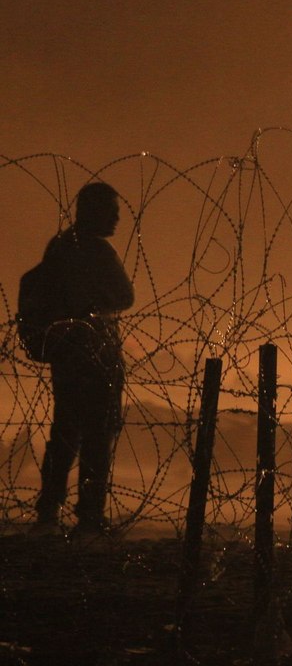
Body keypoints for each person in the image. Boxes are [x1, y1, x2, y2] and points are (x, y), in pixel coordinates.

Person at [32, 182, 134, 537]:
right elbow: (125, 295)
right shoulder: (98, 251)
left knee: (64, 432)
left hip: (65, 355)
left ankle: (49, 511)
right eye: (112, 210)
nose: (118, 218)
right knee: (97, 435)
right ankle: (90, 517)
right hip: (99, 355)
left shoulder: (58, 247)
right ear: (92, 211)